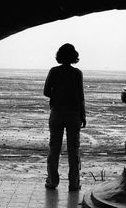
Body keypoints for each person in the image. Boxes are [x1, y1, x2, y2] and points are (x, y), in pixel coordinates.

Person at [43, 43, 86, 191]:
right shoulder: (77, 73)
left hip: (57, 112)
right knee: (73, 150)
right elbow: (81, 96)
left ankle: (52, 181)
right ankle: (74, 184)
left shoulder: (54, 71)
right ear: (74, 57)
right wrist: (83, 115)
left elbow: (46, 91)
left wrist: (58, 94)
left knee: (54, 148)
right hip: (74, 114)